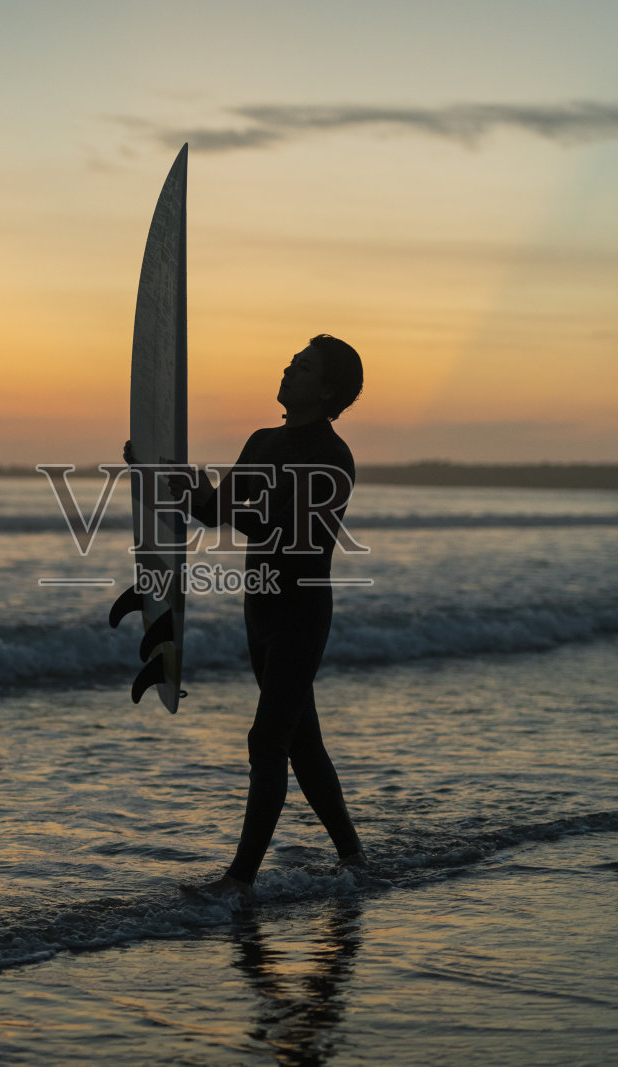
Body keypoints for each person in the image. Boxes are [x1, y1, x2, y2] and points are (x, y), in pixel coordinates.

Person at [133, 334, 368, 904]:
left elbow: (275, 526)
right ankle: (357, 859)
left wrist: (205, 492)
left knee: (268, 739)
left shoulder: (333, 458)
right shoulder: (262, 441)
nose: (289, 367)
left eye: (304, 365)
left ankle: (238, 882)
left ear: (328, 388)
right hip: (260, 607)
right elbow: (215, 512)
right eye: (291, 359)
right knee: (301, 742)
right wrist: (156, 473)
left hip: (301, 613)